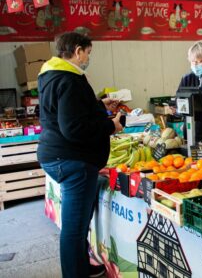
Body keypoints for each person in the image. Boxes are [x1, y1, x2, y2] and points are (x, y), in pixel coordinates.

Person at [37, 32, 123, 278]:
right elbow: (73, 128)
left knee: (78, 223)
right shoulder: (70, 80)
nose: (88, 58)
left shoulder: (51, 75)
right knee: (74, 229)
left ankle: (83, 266)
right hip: (72, 160)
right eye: (88, 52)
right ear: (77, 51)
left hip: (57, 156)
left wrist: (99, 106)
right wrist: (111, 126)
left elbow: (68, 111)